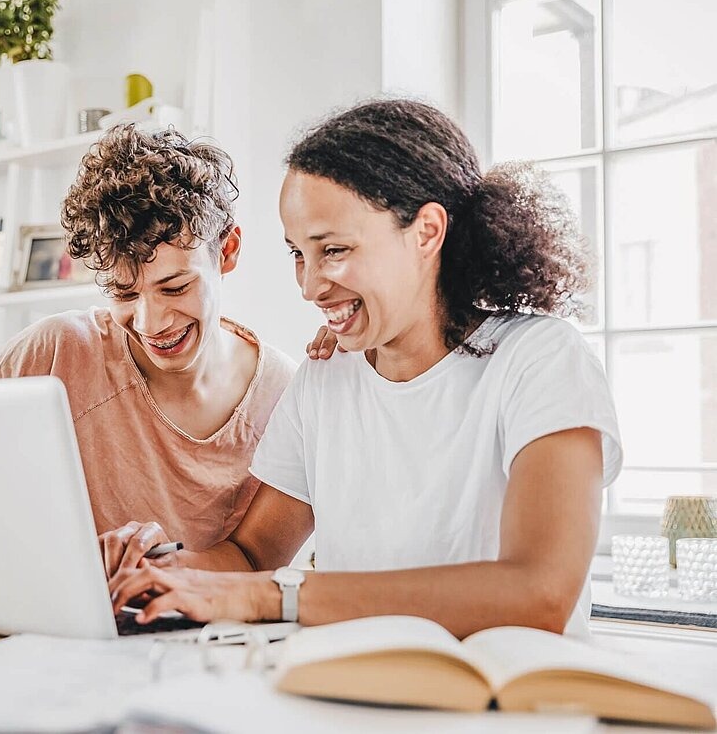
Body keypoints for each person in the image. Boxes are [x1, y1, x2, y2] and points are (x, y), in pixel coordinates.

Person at [108, 99, 622, 638]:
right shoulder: (324, 380)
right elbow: (252, 554)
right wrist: (161, 574)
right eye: (297, 255)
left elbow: (537, 594)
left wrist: (274, 597)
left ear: (426, 232)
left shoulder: (540, 361)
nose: (308, 287)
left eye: (333, 250)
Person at [0, 125, 298, 576]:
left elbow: (257, 561)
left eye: (175, 287)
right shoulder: (58, 352)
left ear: (227, 250)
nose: (150, 323)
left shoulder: (283, 394)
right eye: (124, 293)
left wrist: (162, 569)